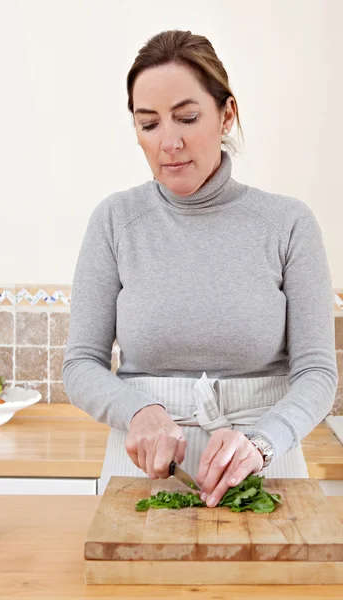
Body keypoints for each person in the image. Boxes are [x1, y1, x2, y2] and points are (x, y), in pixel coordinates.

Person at [62, 30, 338, 503]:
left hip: (265, 463)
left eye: (187, 118)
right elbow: (80, 364)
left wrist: (262, 443)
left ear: (226, 114)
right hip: (143, 465)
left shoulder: (289, 223)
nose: (170, 142)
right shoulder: (115, 220)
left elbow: (317, 372)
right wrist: (138, 411)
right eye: (148, 124)